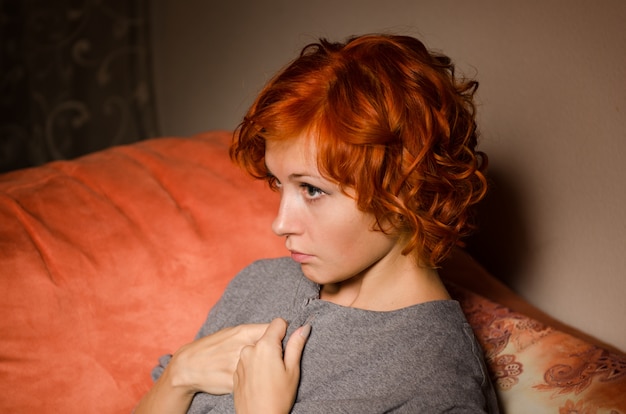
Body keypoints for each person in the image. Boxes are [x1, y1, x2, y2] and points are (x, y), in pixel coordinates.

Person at [135, 33, 500, 413]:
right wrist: (179, 375)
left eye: (311, 190)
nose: (280, 224)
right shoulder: (259, 283)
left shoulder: (436, 383)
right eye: (279, 183)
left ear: (405, 189)